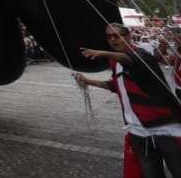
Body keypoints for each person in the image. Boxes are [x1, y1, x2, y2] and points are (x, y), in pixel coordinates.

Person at [75, 23, 181, 177]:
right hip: (137, 130)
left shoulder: (142, 56)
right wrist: (88, 81)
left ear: (128, 36)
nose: (113, 40)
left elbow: (130, 60)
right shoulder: (115, 63)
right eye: (109, 36)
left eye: (117, 35)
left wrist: (104, 53)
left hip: (164, 127)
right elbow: (115, 85)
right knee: (150, 174)